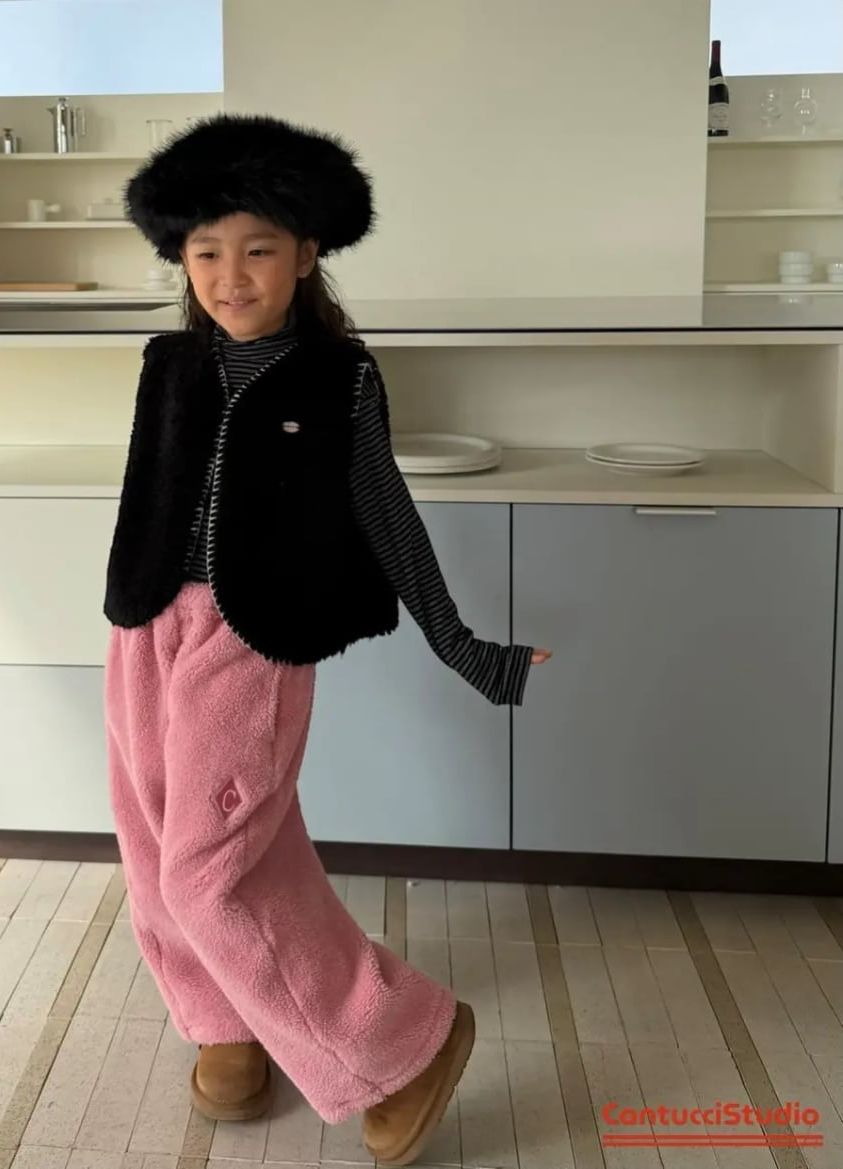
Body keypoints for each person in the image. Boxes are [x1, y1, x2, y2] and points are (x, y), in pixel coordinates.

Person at [102, 112, 550, 1166]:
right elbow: (148, 496)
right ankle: (223, 1020)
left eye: (257, 249)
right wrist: (129, 611)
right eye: (206, 252)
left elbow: (386, 514)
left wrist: (464, 645)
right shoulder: (168, 364)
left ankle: (403, 1042)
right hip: (147, 626)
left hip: (252, 635)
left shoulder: (338, 377)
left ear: (305, 254)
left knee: (207, 873)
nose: (231, 276)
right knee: (153, 847)